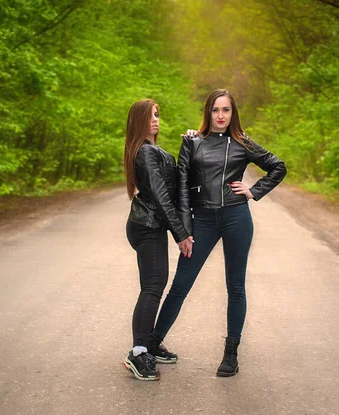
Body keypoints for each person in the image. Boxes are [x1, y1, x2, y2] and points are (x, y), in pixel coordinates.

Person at [148, 89, 287, 377]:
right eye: (215, 110)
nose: (221, 116)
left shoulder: (242, 143)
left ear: (232, 113)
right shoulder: (192, 142)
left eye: (226, 110)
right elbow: (183, 189)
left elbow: (277, 167)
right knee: (181, 284)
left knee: (235, 286)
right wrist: (184, 229)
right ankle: (151, 344)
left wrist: (253, 191)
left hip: (236, 217)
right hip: (203, 221)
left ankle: (231, 354)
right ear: (208, 112)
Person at [122, 99, 194, 381]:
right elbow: (162, 196)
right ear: (138, 121)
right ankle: (138, 353)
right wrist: (181, 234)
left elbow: (176, 183)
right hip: (147, 225)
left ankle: (149, 346)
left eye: (157, 115)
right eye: (150, 116)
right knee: (152, 287)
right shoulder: (144, 153)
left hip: (151, 224)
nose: (156, 120)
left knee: (154, 286)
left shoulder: (153, 150)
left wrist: (187, 147)